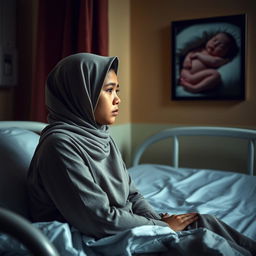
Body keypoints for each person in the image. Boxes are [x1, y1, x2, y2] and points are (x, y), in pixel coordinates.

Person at [27, 53, 255, 254]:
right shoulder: (59, 145)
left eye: (117, 90)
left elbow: (132, 195)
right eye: (108, 90)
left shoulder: (100, 135)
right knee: (202, 243)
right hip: (94, 236)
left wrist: (155, 220)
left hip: (121, 226)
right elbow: (97, 219)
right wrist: (162, 228)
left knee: (203, 221)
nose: (118, 99)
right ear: (80, 94)